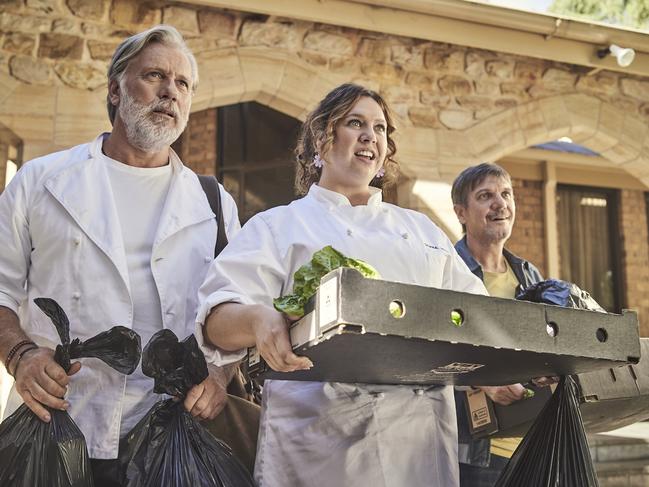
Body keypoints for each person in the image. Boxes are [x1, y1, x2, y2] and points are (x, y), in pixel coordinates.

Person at [195, 83, 488, 487]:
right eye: (355, 123)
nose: (371, 135)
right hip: (317, 447)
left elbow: (480, 319)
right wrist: (260, 320)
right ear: (321, 138)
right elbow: (217, 320)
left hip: (417, 448)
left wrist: (504, 373)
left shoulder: (422, 231)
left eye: (381, 128)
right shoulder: (278, 226)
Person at [0, 25, 239, 486]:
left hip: (170, 438)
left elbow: (236, 305)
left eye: (183, 83)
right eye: (155, 76)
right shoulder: (41, 182)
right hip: (55, 425)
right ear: (115, 89)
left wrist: (220, 375)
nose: (171, 92)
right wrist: (21, 355)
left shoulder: (212, 203)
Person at [451, 163, 544, 486]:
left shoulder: (529, 275)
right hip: (476, 454)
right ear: (461, 213)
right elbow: (422, 354)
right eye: (485, 196)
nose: (500, 204)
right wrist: (482, 379)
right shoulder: (444, 273)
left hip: (533, 444)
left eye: (506, 194)